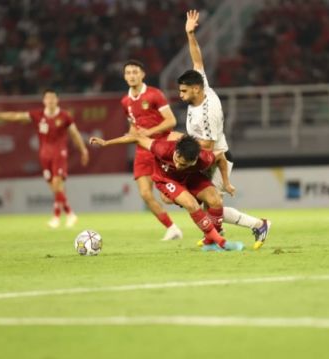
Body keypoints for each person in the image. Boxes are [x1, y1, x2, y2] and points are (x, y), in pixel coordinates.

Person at [179, 10, 270, 249]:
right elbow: (198, 60)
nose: (181, 95)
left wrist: (180, 148)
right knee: (208, 204)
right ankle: (219, 233)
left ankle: (254, 226)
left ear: (195, 90)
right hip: (207, 157)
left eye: (183, 91)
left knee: (211, 201)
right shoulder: (201, 87)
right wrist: (190, 34)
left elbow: (207, 148)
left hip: (217, 159)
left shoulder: (208, 112)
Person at [90, 133, 244, 252]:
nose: (177, 164)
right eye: (177, 159)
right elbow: (137, 137)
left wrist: (226, 183)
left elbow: (221, 157)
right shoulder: (163, 148)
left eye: (183, 164)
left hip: (191, 177)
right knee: (191, 204)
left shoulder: (204, 158)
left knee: (215, 200)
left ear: (194, 160)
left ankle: (210, 242)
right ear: (176, 151)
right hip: (166, 179)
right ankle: (221, 242)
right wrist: (106, 143)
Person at [0, 89, 89, 229]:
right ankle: (67, 214)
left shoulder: (65, 116)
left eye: (52, 98)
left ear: (57, 100)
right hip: (44, 154)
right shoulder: (37, 115)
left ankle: (59, 217)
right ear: (44, 101)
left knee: (57, 183)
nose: (50, 101)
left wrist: (83, 150)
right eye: (47, 98)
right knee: (54, 187)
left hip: (59, 153)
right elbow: (15, 116)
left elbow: (75, 134)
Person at [117, 59, 183, 241]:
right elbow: (133, 127)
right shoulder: (125, 101)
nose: (131, 75)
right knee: (145, 194)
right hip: (142, 152)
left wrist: (149, 132)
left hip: (160, 148)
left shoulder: (155, 94)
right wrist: (129, 136)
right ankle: (172, 228)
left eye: (135, 72)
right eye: (128, 72)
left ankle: (199, 205)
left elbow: (171, 121)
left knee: (167, 198)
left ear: (142, 74)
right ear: (124, 76)